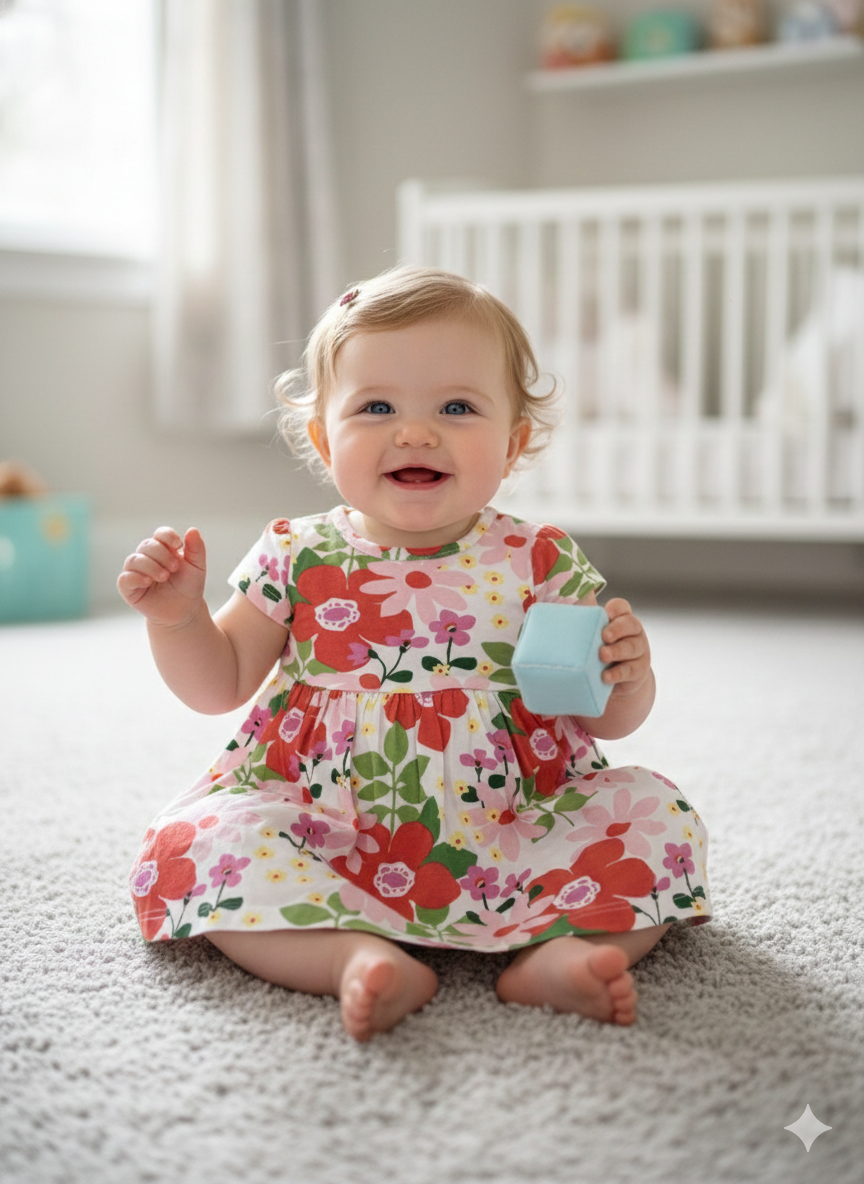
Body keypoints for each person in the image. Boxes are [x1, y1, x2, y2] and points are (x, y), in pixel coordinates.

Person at [119, 266, 710, 1042]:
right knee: (194, 843)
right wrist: (177, 619)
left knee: (660, 819)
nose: (416, 432)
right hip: (326, 827)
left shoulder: (538, 558)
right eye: (377, 407)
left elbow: (595, 710)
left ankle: (560, 955)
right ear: (327, 439)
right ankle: (350, 958)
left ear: (515, 440)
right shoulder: (296, 553)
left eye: (457, 407)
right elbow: (218, 681)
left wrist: (628, 678)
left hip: (516, 824)